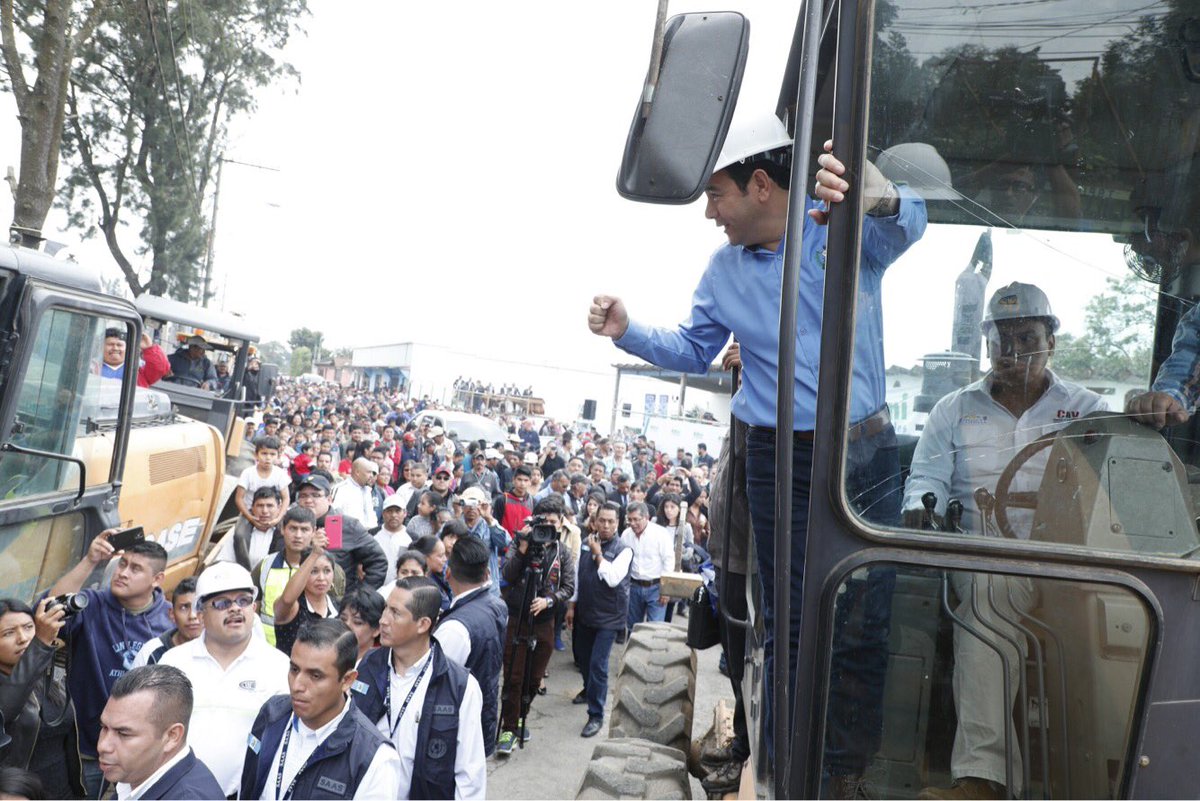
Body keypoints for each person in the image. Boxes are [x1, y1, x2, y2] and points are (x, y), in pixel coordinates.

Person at [587, 113, 927, 774]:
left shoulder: (841, 225)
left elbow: (910, 221)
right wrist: (627, 329)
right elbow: (692, 347)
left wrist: (879, 192)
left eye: (717, 195)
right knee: (788, 622)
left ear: (762, 185)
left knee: (863, 618)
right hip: (776, 459)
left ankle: (845, 771)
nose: (710, 212)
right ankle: (781, 767)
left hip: (864, 459)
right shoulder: (722, 270)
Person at [905, 284, 1105, 801]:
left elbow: (1118, 484)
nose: (1015, 354)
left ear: (1051, 342)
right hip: (980, 557)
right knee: (989, 593)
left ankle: (1110, 775)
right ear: (988, 345)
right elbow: (924, 478)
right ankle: (984, 779)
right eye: (1003, 341)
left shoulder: (1088, 410)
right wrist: (918, 505)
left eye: (1028, 339)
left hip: (1069, 564)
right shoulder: (953, 410)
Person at [46, 533, 172, 797]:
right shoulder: (93, 604)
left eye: (135, 568)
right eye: (122, 563)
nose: (123, 573)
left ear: (157, 579)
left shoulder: (169, 620)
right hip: (86, 746)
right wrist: (90, 560)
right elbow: (49, 610)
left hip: (140, 752)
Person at [159, 561, 290, 797]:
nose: (235, 609)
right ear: (201, 613)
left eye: (243, 600)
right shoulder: (173, 663)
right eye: (222, 603)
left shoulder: (279, 667)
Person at [352, 577, 487, 799]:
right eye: (385, 608)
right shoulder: (367, 666)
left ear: (423, 624)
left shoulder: (460, 687)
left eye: (395, 613)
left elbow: (470, 776)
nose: (383, 620)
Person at [239, 620, 402, 799]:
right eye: (294, 669)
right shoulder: (272, 714)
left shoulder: (375, 759)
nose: (297, 685)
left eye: (315, 676)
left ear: (347, 680)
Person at [496, 496, 576, 755]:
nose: (549, 528)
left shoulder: (563, 551)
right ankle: (508, 729)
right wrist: (521, 548)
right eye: (545, 522)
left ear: (561, 523)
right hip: (518, 617)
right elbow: (506, 576)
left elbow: (568, 587)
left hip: (545, 621)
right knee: (513, 676)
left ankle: (521, 717)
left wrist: (549, 600)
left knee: (534, 677)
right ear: (535, 520)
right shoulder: (520, 541)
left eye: (554, 523)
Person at [96, 664, 223, 799]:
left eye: (123, 734)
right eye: (104, 727)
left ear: (171, 736)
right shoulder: (138, 776)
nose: (103, 746)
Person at [432, 536, 507, 757]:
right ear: (487, 574)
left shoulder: (454, 629)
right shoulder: (497, 605)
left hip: (457, 730)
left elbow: (435, 683)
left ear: (448, 573)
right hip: (484, 715)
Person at [0, 597, 82, 798]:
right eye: (8, 633)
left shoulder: (47, 674)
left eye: (29, 627)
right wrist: (41, 645)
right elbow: (5, 710)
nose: (23, 638)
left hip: (64, 790)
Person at [567, 502, 631, 738]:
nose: (605, 525)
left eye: (611, 521)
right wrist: (571, 605)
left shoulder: (624, 549)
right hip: (585, 611)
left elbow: (613, 578)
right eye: (601, 520)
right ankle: (588, 689)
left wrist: (598, 554)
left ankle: (596, 715)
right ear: (594, 521)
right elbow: (577, 575)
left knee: (598, 665)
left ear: (618, 523)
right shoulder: (586, 543)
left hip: (609, 617)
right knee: (582, 659)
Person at [252, 506, 346, 646]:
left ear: (314, 531)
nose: (298, 535)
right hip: (266, 648)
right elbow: (254, 607)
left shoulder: (333, 570)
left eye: (304, 530)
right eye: (293, 529)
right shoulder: (265, 565)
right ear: (283, 529)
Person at [294, 473, 388, 594]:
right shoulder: (291, 525)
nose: (308, 500)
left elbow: (378, 561)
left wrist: (359, 597)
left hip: (338, 604)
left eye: (316, 495)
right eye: (303, 496)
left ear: (329, 499)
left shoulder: (347, 525)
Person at [272, 532, 340, 657]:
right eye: (313, 571)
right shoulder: (294, 607)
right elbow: (286, 600)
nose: (321, 578)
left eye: (327, 571)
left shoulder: (339, 607)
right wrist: (315, 554)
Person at [621, 501, 674, 630]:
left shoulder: (660, 534)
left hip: (656, 588)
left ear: (646, 517)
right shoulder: (626, 535)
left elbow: (669, 561)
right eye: (630, 520)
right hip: (634, 587)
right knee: (633, 627)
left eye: (636, 520)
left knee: (654, 629)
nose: (633, 524)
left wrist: (665, 590)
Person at [130, 577, 204, 667]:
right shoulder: (151, 653)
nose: (192, 616)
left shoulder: (221, 650)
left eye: (198, 607)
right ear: (172, 614)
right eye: (184, 607)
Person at [217, 486, 283, 571]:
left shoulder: (285, 533)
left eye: (270, 506)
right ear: (252, 508)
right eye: (260, 506)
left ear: (279, 508)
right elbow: (223, 562)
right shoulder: (240, 533)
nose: (265, 511)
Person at [459, 487, 509, 599]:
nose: (472, 508)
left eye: (476, 503)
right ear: (462, 504)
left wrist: (489, 518)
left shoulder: (489, 524)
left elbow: (505, 543)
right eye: (468, 503)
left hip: (489, 588)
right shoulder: (455, 525)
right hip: (462, 586)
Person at [234, 437, 291, 531]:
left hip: (273, 514)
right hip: (251, 513)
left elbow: (286, 498)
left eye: (272, 454)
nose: (268, 458)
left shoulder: (280, 474)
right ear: (256, 455)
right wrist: (250, 518)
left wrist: (278, 518)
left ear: (278, 456)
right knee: (240, 536)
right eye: (264, 453)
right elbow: (239, 498)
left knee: (283, 535)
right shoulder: (248, 473)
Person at [100, 328, 170, 388]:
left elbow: (159, 368)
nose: (115, 348)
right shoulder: (92, 368)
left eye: (119, 345)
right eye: (110, 344)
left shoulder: (138, 370)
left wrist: (149, 348)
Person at [372, 494, 412, 585]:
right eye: (389, 511)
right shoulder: (372, 535)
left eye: (397, 511)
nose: (393, 515)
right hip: (376, 587)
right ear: (383, 513)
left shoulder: (411, 537)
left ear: (405, 513)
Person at [331, 457, 381, 529]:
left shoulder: (367, 490)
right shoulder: (341, 489)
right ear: (357, 472)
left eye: (372, 473)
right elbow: (332, 518)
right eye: (369, 472)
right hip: (348, 537)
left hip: (367, 536)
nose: (371, 476)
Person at [339, 589, 385, 665]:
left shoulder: (381, 665)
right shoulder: (329, 654)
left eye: (357, 622)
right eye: (343, 619)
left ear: (377, 629)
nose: (347, 625)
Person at [410, 535, 452, 612]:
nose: (445, 559)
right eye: (440, 556)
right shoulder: (421, 585)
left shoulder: (438, 575)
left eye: (445, 555)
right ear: (425, 557)